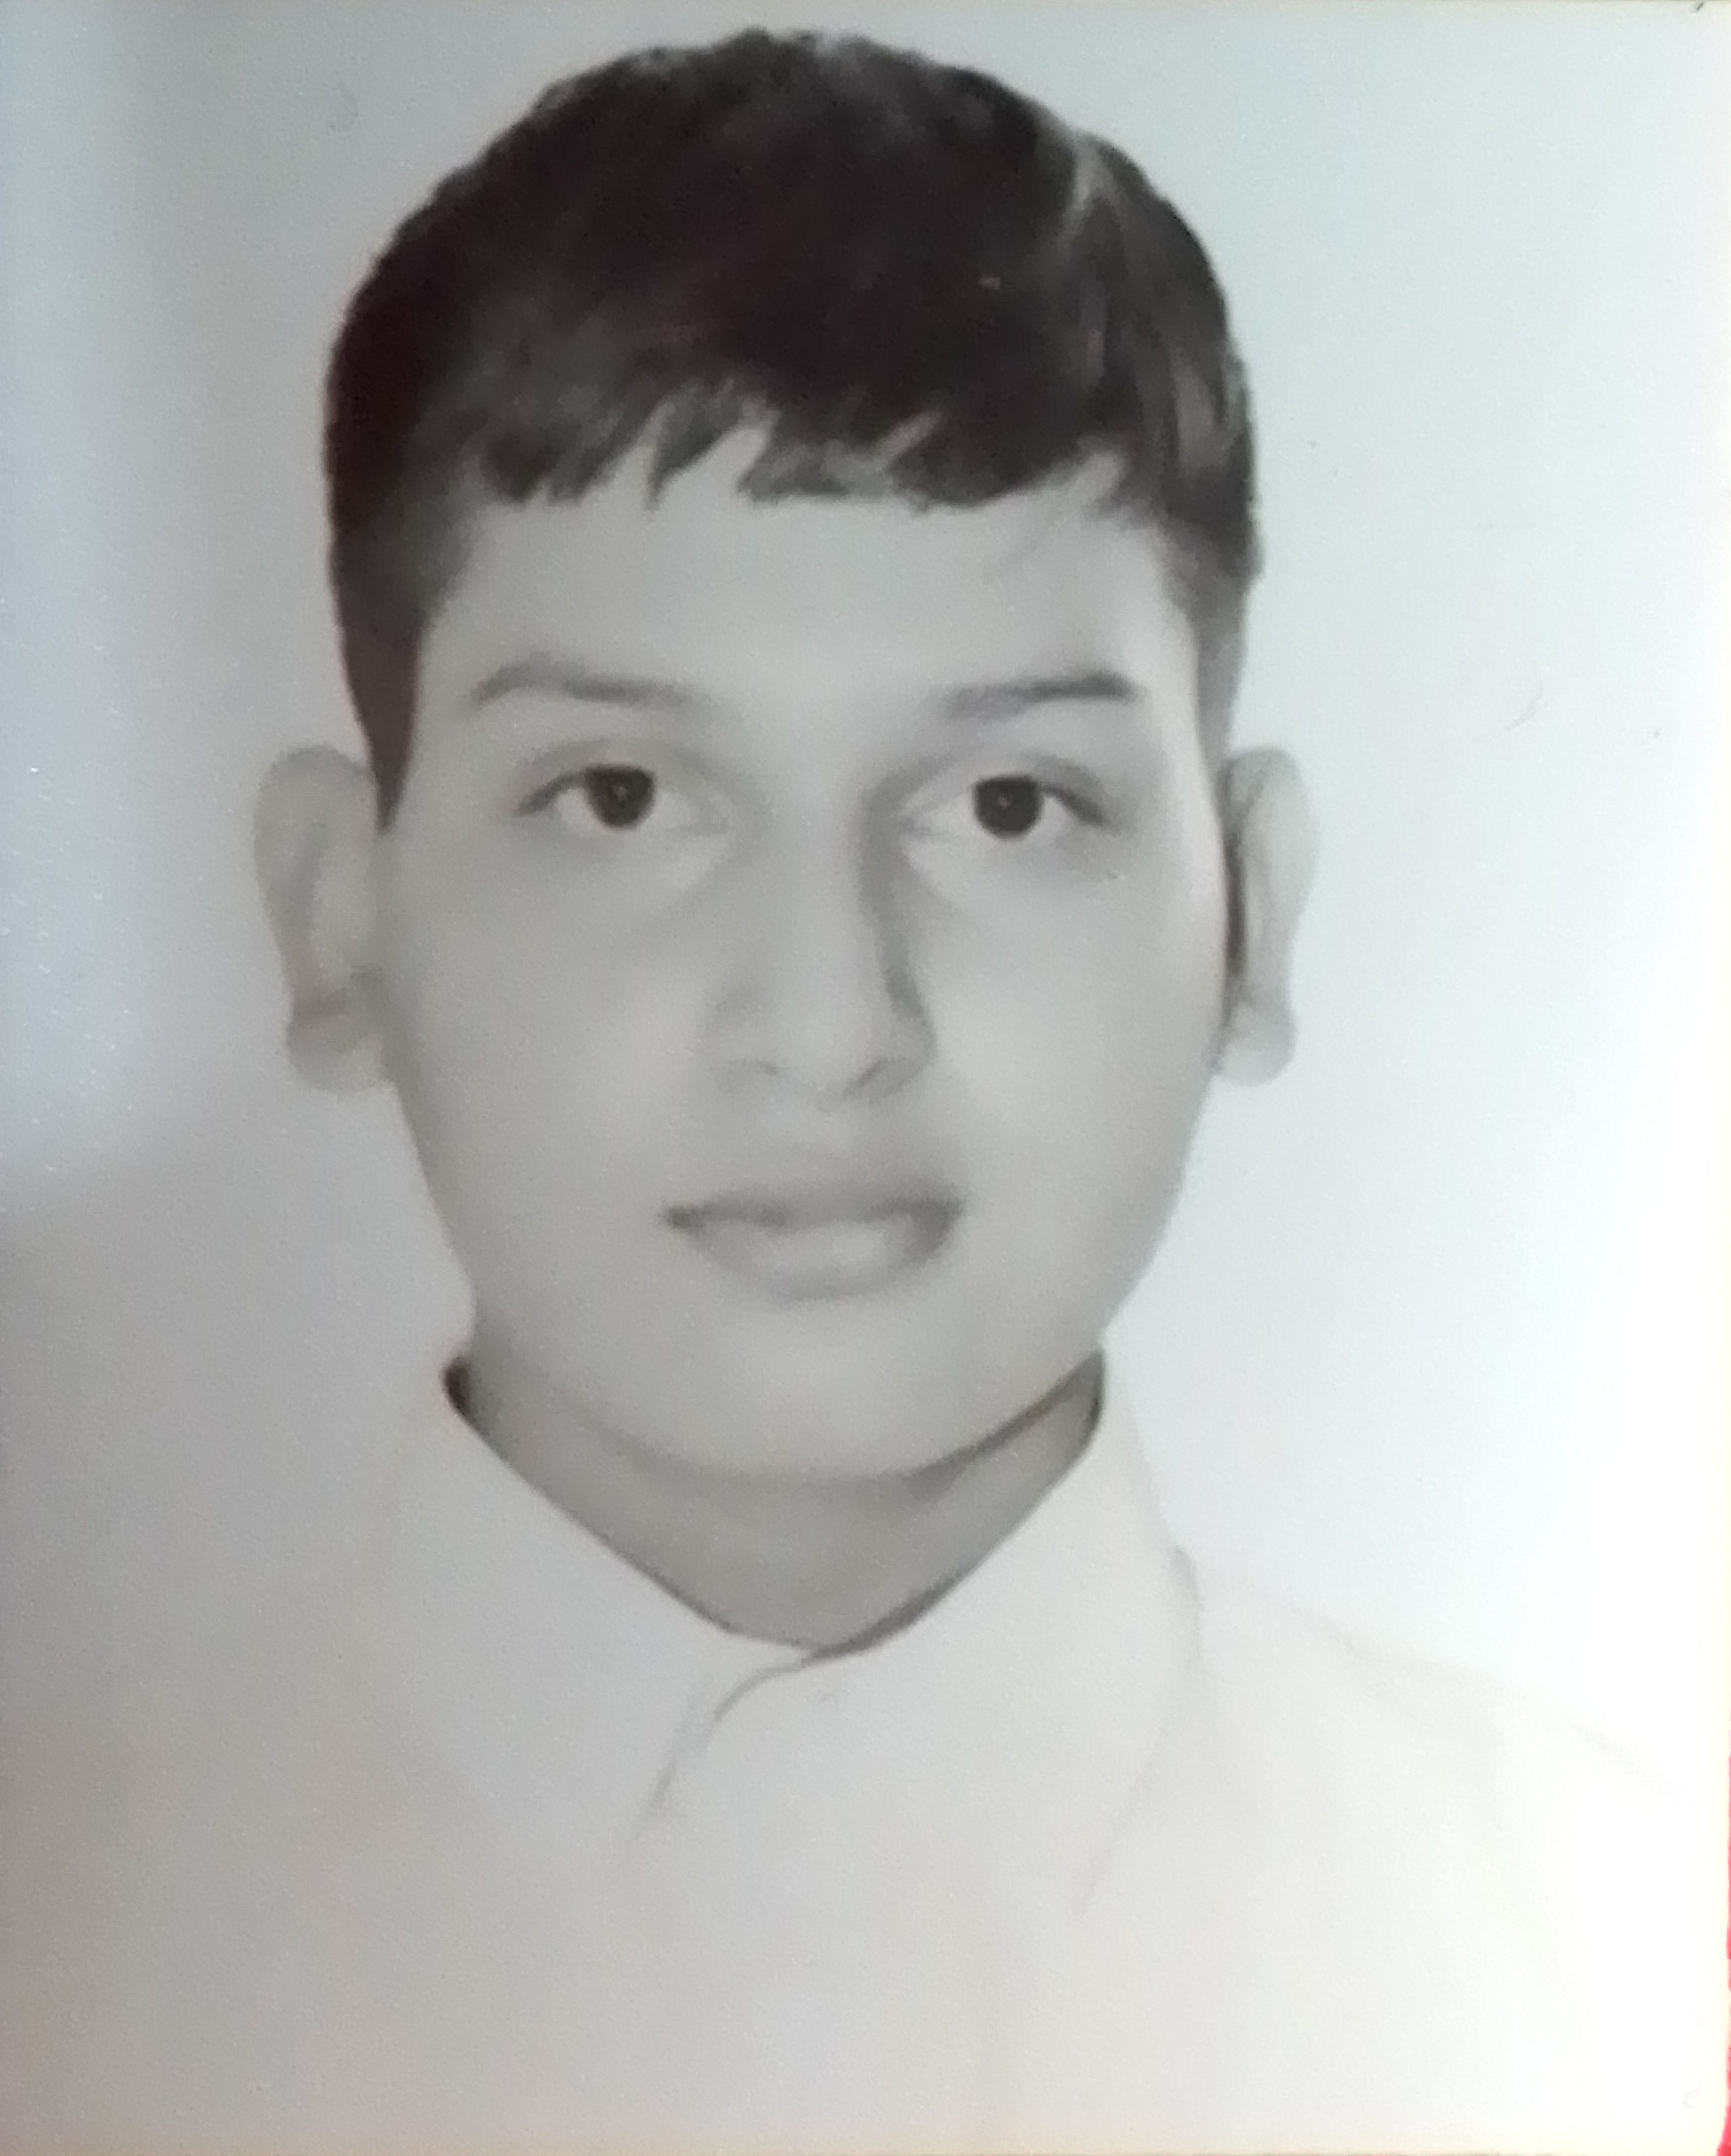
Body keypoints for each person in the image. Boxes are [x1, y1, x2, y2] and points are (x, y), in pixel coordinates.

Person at [1, 28, 1708, 2154]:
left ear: (1249, 913)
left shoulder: (1626, 1977)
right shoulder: (48, 1952)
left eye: (1009, 805)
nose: (826, 1025)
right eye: (620, 797)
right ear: (339, 917)